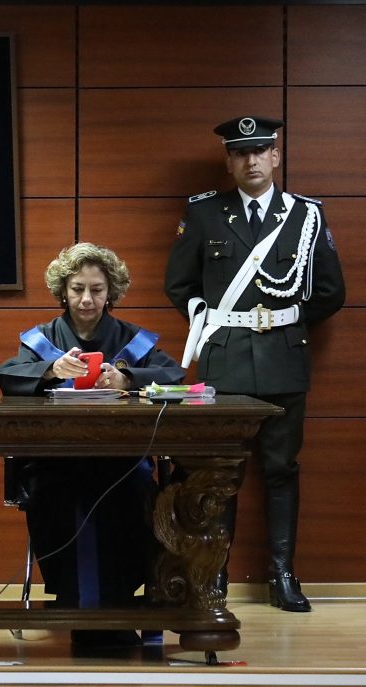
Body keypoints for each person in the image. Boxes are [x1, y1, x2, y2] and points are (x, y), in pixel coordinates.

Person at [165, 116, 345, 612]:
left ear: (275, 157)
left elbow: (331, 291)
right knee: (221, 473)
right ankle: (215, 575)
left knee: (281, 469)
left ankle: (283, 575)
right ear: (229, 162)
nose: (251, 161)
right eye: (241, 153)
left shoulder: (305, 215)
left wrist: (286, 320)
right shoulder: (204, 213)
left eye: (260, 151)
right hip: (226, 363)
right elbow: (179, 285)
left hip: (285, 359)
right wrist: (212, 323)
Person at [0, 243, 184, 645]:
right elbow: (8, 376)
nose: (86, 299)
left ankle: (116, 608)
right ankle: (79, 607)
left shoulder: (132, 339)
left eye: (97, 289)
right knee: (60, 497)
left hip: (121, 463)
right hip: (56, 464)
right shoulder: (42, 339)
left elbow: (173, 375)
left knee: (135, 497)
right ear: (63, 291)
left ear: (110, 291)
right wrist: (50, 369)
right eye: (77, 288)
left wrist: (128, 378)